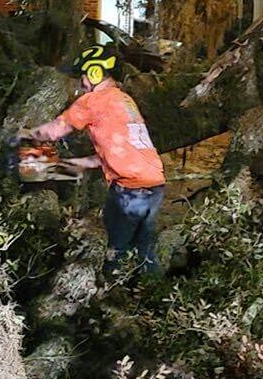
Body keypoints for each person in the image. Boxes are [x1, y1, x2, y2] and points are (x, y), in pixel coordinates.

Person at [29, 44, 165, 276]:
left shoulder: (94, 100)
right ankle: (152, 295)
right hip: (154, 183)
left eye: (82, 77)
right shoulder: (123, 100)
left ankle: (110, 295)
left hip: (131, 189)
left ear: (94, 73)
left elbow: (53, 131)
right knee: (144, 247)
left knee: (115, 247)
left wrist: (22, 136)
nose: (80, 84)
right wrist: (76, 164)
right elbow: (117, 150)